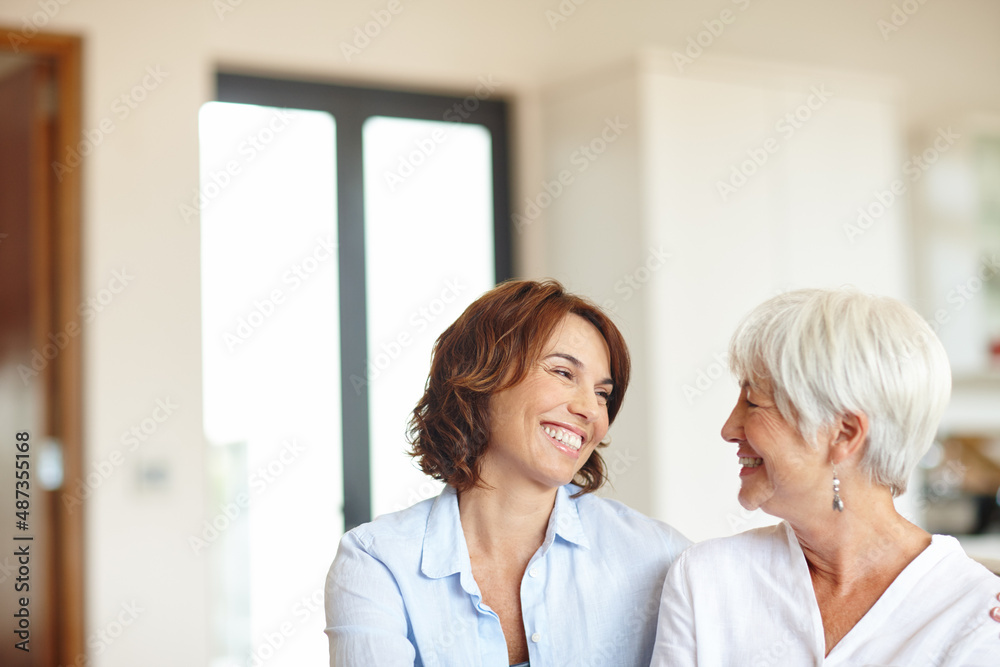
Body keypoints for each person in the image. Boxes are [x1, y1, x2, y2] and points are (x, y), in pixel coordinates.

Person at [325, 279, 690, 666]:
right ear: (482, 377)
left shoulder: (662, 557)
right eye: (564, 373)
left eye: (603, 393)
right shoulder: (378, 560)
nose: (592, 410)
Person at [651, 288, 1000, 666]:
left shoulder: (979, 614)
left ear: (844, 434)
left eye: (752, 403)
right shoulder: (707, 579)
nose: (729, 428)